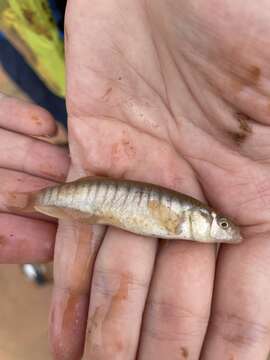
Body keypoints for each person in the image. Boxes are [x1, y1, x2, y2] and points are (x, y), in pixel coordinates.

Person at [2, 0, 270, 359]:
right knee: (61, 98)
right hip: (35, 38)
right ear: (201, 219)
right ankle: (34, 197)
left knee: (71, 109)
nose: (226, 230)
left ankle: (37, 193)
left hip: (87, 54)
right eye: (220, 224)